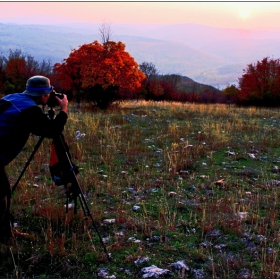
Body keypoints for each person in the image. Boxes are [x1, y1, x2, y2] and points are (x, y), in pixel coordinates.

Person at [0, 75, 68, 244]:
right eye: (49, 94)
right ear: (44, 95)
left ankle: (6, 233)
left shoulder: (13, 97)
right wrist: (64, 110)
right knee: (1, 196)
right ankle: (4, 236)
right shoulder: (30, 110)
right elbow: (52, 131)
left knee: (4, 191)